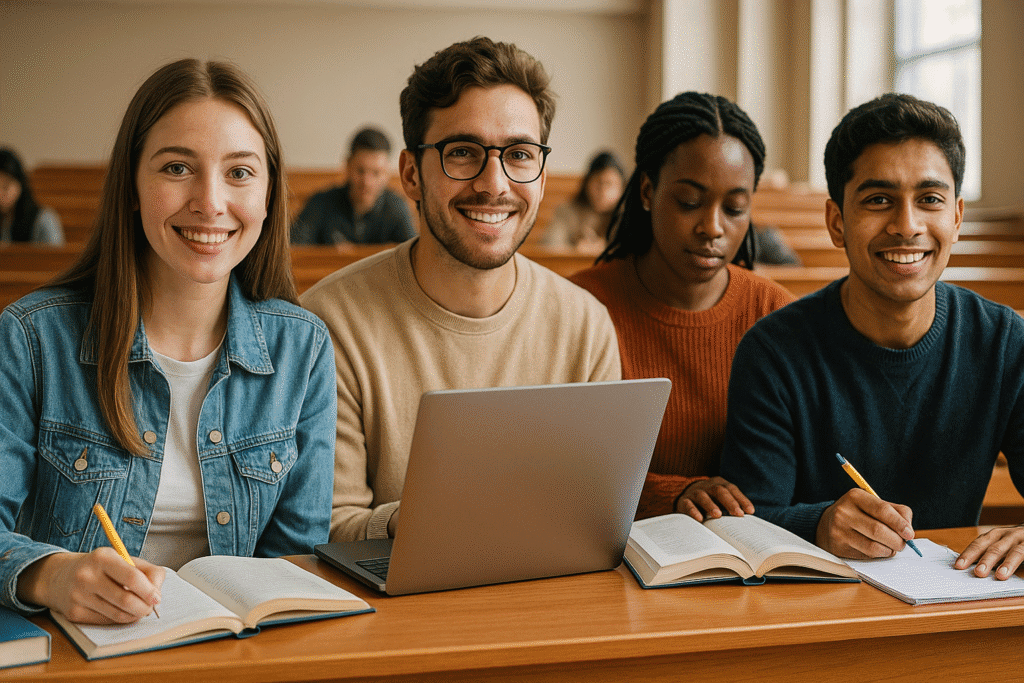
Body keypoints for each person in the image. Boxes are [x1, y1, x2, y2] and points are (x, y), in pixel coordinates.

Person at [0, 59, 336, 623]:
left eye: (239, 172)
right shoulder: (32, 339)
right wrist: (50, 574)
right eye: (177, 167)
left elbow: (296, 561)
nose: (210, 202)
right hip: (74, 653)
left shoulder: (302, 350)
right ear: (131, 186)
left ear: (269, 193)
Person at [300, 37, 621, 543]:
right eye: (463, 152)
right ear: (410, 174)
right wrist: (427, 522)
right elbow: (327, 525)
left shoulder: (586, 326)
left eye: (518, 154)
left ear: (540, 176)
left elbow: (595, 522)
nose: (494, 183)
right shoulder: (326, 323)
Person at [719, 93, 1024, 579]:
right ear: (837, 222)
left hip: (951, 610)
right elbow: (744, 521)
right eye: (879, 200)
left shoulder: (1005, 341)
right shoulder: (774, 351)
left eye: (930, 199)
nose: (907, 226)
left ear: (957, 217)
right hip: (813, 613)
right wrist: (817, 523)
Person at [570, 92, 794, 523]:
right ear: (649, 191)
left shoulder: (775, 312)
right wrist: (674, 494)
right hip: (606, 555)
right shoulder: (582, 307)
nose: (712, 227)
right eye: (689, 202)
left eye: (734, 208)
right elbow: (558, 465)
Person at [290, 126, 417, 244]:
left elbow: (413, 256)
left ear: (387, 173)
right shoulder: (320, 203)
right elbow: (294, 249)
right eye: (360, 171)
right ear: (348, 165)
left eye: (376, 173)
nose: (367, 182)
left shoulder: (396, 207)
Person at [539, 150, 624, 251]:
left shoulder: (629, 215)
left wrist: (602, 248)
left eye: (609, 184)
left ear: (622, 188)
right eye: (598, 182)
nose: (603, 191)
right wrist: (575, 248)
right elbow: (549, 247)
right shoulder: (567, 211)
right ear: (587, 183)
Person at [0, 147, 65, 245]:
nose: (0, 194)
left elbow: (56, 258)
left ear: (20, 183)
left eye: (5, 187)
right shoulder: (4, 220)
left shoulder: (43, 220)